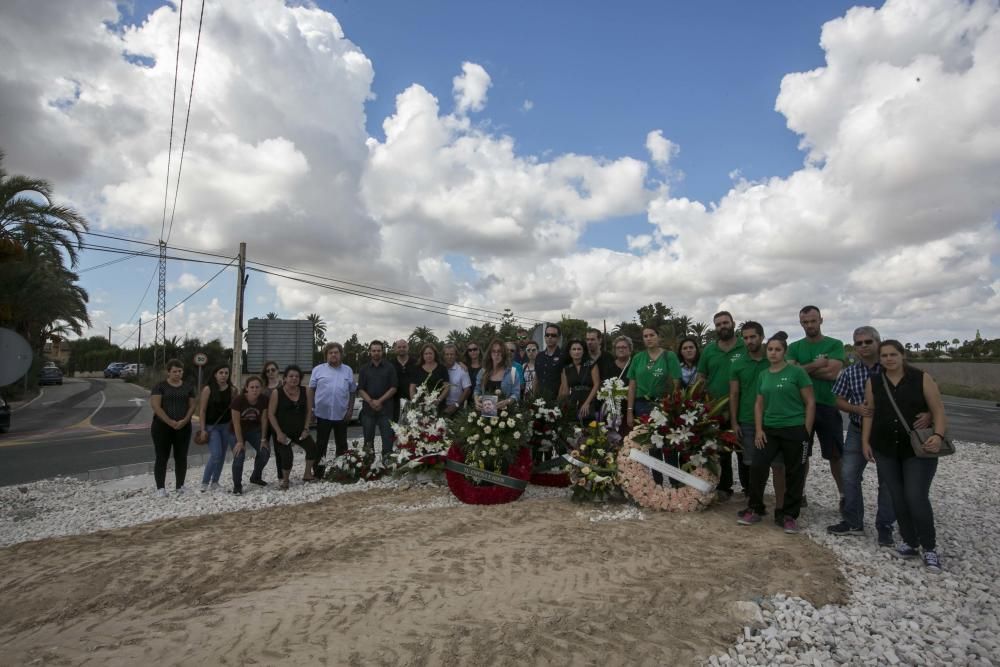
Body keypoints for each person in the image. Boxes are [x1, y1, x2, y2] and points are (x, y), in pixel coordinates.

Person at [863, 340, 948, 573]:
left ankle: (929, 547)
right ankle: (910, 542)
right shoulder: (874, 382)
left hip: (917, 449)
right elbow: (869, 414)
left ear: (902, 355)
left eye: (893, 354)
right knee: (897, 497)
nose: (889, 359)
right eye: (884, 355)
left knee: (916, 496)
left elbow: (938, 409)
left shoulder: (921, 378)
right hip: (885, 448)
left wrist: (939, 435)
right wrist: (865, 442)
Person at [828, 327, 898, 542]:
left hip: (888, 433)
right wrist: (856, 409)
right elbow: (838, 399)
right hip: (858, 430)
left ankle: (885, 526)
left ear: (878, 342)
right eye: (859, 343)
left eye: (868, 341)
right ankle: (853, 522)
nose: (864, 346)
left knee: (887, 481)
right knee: (849, 475)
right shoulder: (850, 372)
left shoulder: (891, 369)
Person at [739, 335, 815, 534]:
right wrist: (758, 429)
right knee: (758, 467)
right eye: (770, 349)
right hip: (769, 429)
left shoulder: (797, 372)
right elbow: (758, 403)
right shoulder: (764, 375)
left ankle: (788, 515)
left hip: (794, 428)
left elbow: (810, 402)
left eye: (777, 349)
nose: (773, 353)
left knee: (795, 472)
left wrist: (805, 430)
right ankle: (755, 508)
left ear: (784, 351)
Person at [788, 305, 846, 506]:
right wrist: (817, 365)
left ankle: (844, 497)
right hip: (801, 409)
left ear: (821, 320)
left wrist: (801, 370)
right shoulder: (794, 347)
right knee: (802, 454)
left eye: (813, 321)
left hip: (828, 406)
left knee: (836, 456)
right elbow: (789, 374)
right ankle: (799, 494)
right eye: (805, 322)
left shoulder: (835, 344)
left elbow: (832, 374)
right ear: (800, 323)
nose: (809, 325)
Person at [729, 322, 785, 525]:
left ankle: (781, 510)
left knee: (779, 466)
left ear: (761, 336)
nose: (749, 341)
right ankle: (756, 506)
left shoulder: (774, 358)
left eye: (753, 337)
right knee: (754, 467)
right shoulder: (738, 363)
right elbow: (734, 394)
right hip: (748, 420)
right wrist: (734, 422)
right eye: (745, 337)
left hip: (775, 420)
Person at [698, 311, 748, 499]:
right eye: (718, 324)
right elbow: (701, 377)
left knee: (744, 449)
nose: (722, 327)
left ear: (733, 323)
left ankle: (748, 488)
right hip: (716, 409)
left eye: (725, 323)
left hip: (743, 407)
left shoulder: (745, 346)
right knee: (721, 451)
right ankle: (725, 487)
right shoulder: (709, 350)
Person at [308, 342, 357, 477]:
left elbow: (352, 391)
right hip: (322, 414)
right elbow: (311, 390)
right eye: (331, 353)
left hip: (341, 414)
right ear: (326, 355)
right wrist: (311, 408)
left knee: (341, 444)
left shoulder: (348, 370)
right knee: (321, 444)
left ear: (341, 355)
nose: (333, 355)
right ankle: (319, 472)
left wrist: (350, 410)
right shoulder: (318, 370)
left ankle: (340, 470)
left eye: (336, 352)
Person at [149, 359, 196, 496]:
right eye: (174, 371)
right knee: (161, 457)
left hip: (183, 426)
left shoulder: (188, 387)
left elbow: (192, 405)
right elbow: (156, 406)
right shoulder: (160, 386)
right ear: (168, 372)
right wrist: (170, 421)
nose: (177, 374)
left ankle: (180, 486)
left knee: (181, 457)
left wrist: (185, 420)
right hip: (162, 427)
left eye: (180, 371)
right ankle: (160, 488)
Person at [268, 365, 316, 489]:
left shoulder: (306, 391)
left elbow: (308, 411)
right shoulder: (276, 393)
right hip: (282, 431)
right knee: (287, 456)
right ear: (284, 378)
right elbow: (271, 414)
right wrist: (278, 433)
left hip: (300, 430)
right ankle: (285, 480)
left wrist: (306, 429)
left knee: (312, 448)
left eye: (297, 376)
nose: (294, 378)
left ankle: (307, 473)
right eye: (291, 376)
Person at [626, 326, 681, 429]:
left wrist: (672, 406)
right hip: (641, 405)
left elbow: (676, 383)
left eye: (652, 335)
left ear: (658, 337)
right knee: (643, 439)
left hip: (663, 405)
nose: (648, 338)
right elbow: (632, 387)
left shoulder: (669, 356)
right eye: (645, 336)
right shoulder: (637, 358)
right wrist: (629, 411)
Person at [198, 364, 237, 493]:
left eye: (226, 373)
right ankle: (205, 482)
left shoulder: (232, 390)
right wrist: (203, 429)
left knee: (222, 455)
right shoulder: (208, 389)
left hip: (226, 426)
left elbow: (234, 410)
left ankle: (215, 481)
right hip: (211, 426)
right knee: (216, 454)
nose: (224, 375)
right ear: (215, 374)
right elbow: (202, 411)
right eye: (221, 372)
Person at [230, 375, 270, 494]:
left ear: (261, 388)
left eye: (257, 387)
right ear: (246, 388)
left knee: (265, 452)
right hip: (236, 431)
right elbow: (236, 423)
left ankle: (255, 477)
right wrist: (240, 442)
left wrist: (263, 439)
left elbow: (264, 420)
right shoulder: (238, 400)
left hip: (254, 430)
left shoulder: (264, 400)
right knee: (239, 455)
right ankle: (237, 485)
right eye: (252, 387)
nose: (254, 389)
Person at [358, 340, 398, 461]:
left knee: (387, 439)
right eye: (374, 350)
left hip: (386, 411)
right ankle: (368, 466)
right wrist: (371, 402)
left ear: (383, 352)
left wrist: (379, 401)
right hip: (368, 411)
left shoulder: (390, 367)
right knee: (368, 440)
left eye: (379, 351)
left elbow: (394, 387)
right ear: (370, 352)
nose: (376, 353)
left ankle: (387, 464)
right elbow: (360, 389)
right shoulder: (364, 369)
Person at [559, 338, 600, 422]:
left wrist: (587, 403)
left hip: (589, 402)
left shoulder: (591, 364)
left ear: (583, 351)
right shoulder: (566, 368)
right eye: (574, 349)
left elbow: (597, 384)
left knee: (590, 430)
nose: (576, 352)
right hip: (573, 402)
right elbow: (565, 391)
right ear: (570, 352)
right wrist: (559, 405)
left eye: (579, 349)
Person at [474, 339, 521, 412]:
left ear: (504, 353)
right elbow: (477, 390)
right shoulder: (483, 372)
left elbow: (516, 394)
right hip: (485, 416)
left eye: (499, 351)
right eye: (493, 351)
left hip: (506, 417)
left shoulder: (512, 372)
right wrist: (476, 401)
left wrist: (507, 401)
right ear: (490, 354)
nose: (496, 354)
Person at [261, 360, 283, 482]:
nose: (270, 372)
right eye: (268, 370)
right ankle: (256, 476)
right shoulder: (263, 389)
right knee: (263, 449)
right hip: (265, 423)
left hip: (279, 423)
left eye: (273, 370)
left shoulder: (283, 386)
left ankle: (281, 476)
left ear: (277, 371)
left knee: (279, 451)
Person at [534, 323, 566, 402]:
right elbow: (536, 379)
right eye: (547, 335)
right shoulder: (539, 356)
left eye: (553, 335)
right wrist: (534, 399)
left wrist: (558, 404)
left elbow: (564, 384)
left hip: (556, 401)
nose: (550, 337)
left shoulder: (564, 356)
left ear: (558, 338)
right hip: (539, 401)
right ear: (544, 337)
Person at [442, 343, 472, 417]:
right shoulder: (440, 369)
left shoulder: (462, 369)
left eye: (452, 354)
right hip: (441, 406)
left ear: (456, 355)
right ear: (444, 356)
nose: (449, 356)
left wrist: (456, 405)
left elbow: (467, 390)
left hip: (457, 407)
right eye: (447, 354)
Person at [391, 339, 417, 422]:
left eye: (404, 347)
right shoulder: (390, 364)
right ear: (395, 349)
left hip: (413, 402)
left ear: (408, 348)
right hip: (395, 404)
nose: (401, 349)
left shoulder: (416, 363)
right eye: (399, 347)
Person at [463, 341, 484, 406]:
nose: (472, 352)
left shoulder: (485, 366)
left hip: (481, 399)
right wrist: (460, 363)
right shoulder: (464, 366)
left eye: (475, 349)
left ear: (479, 350)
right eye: (470, 350)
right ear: (468, 352)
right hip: (466, 400)